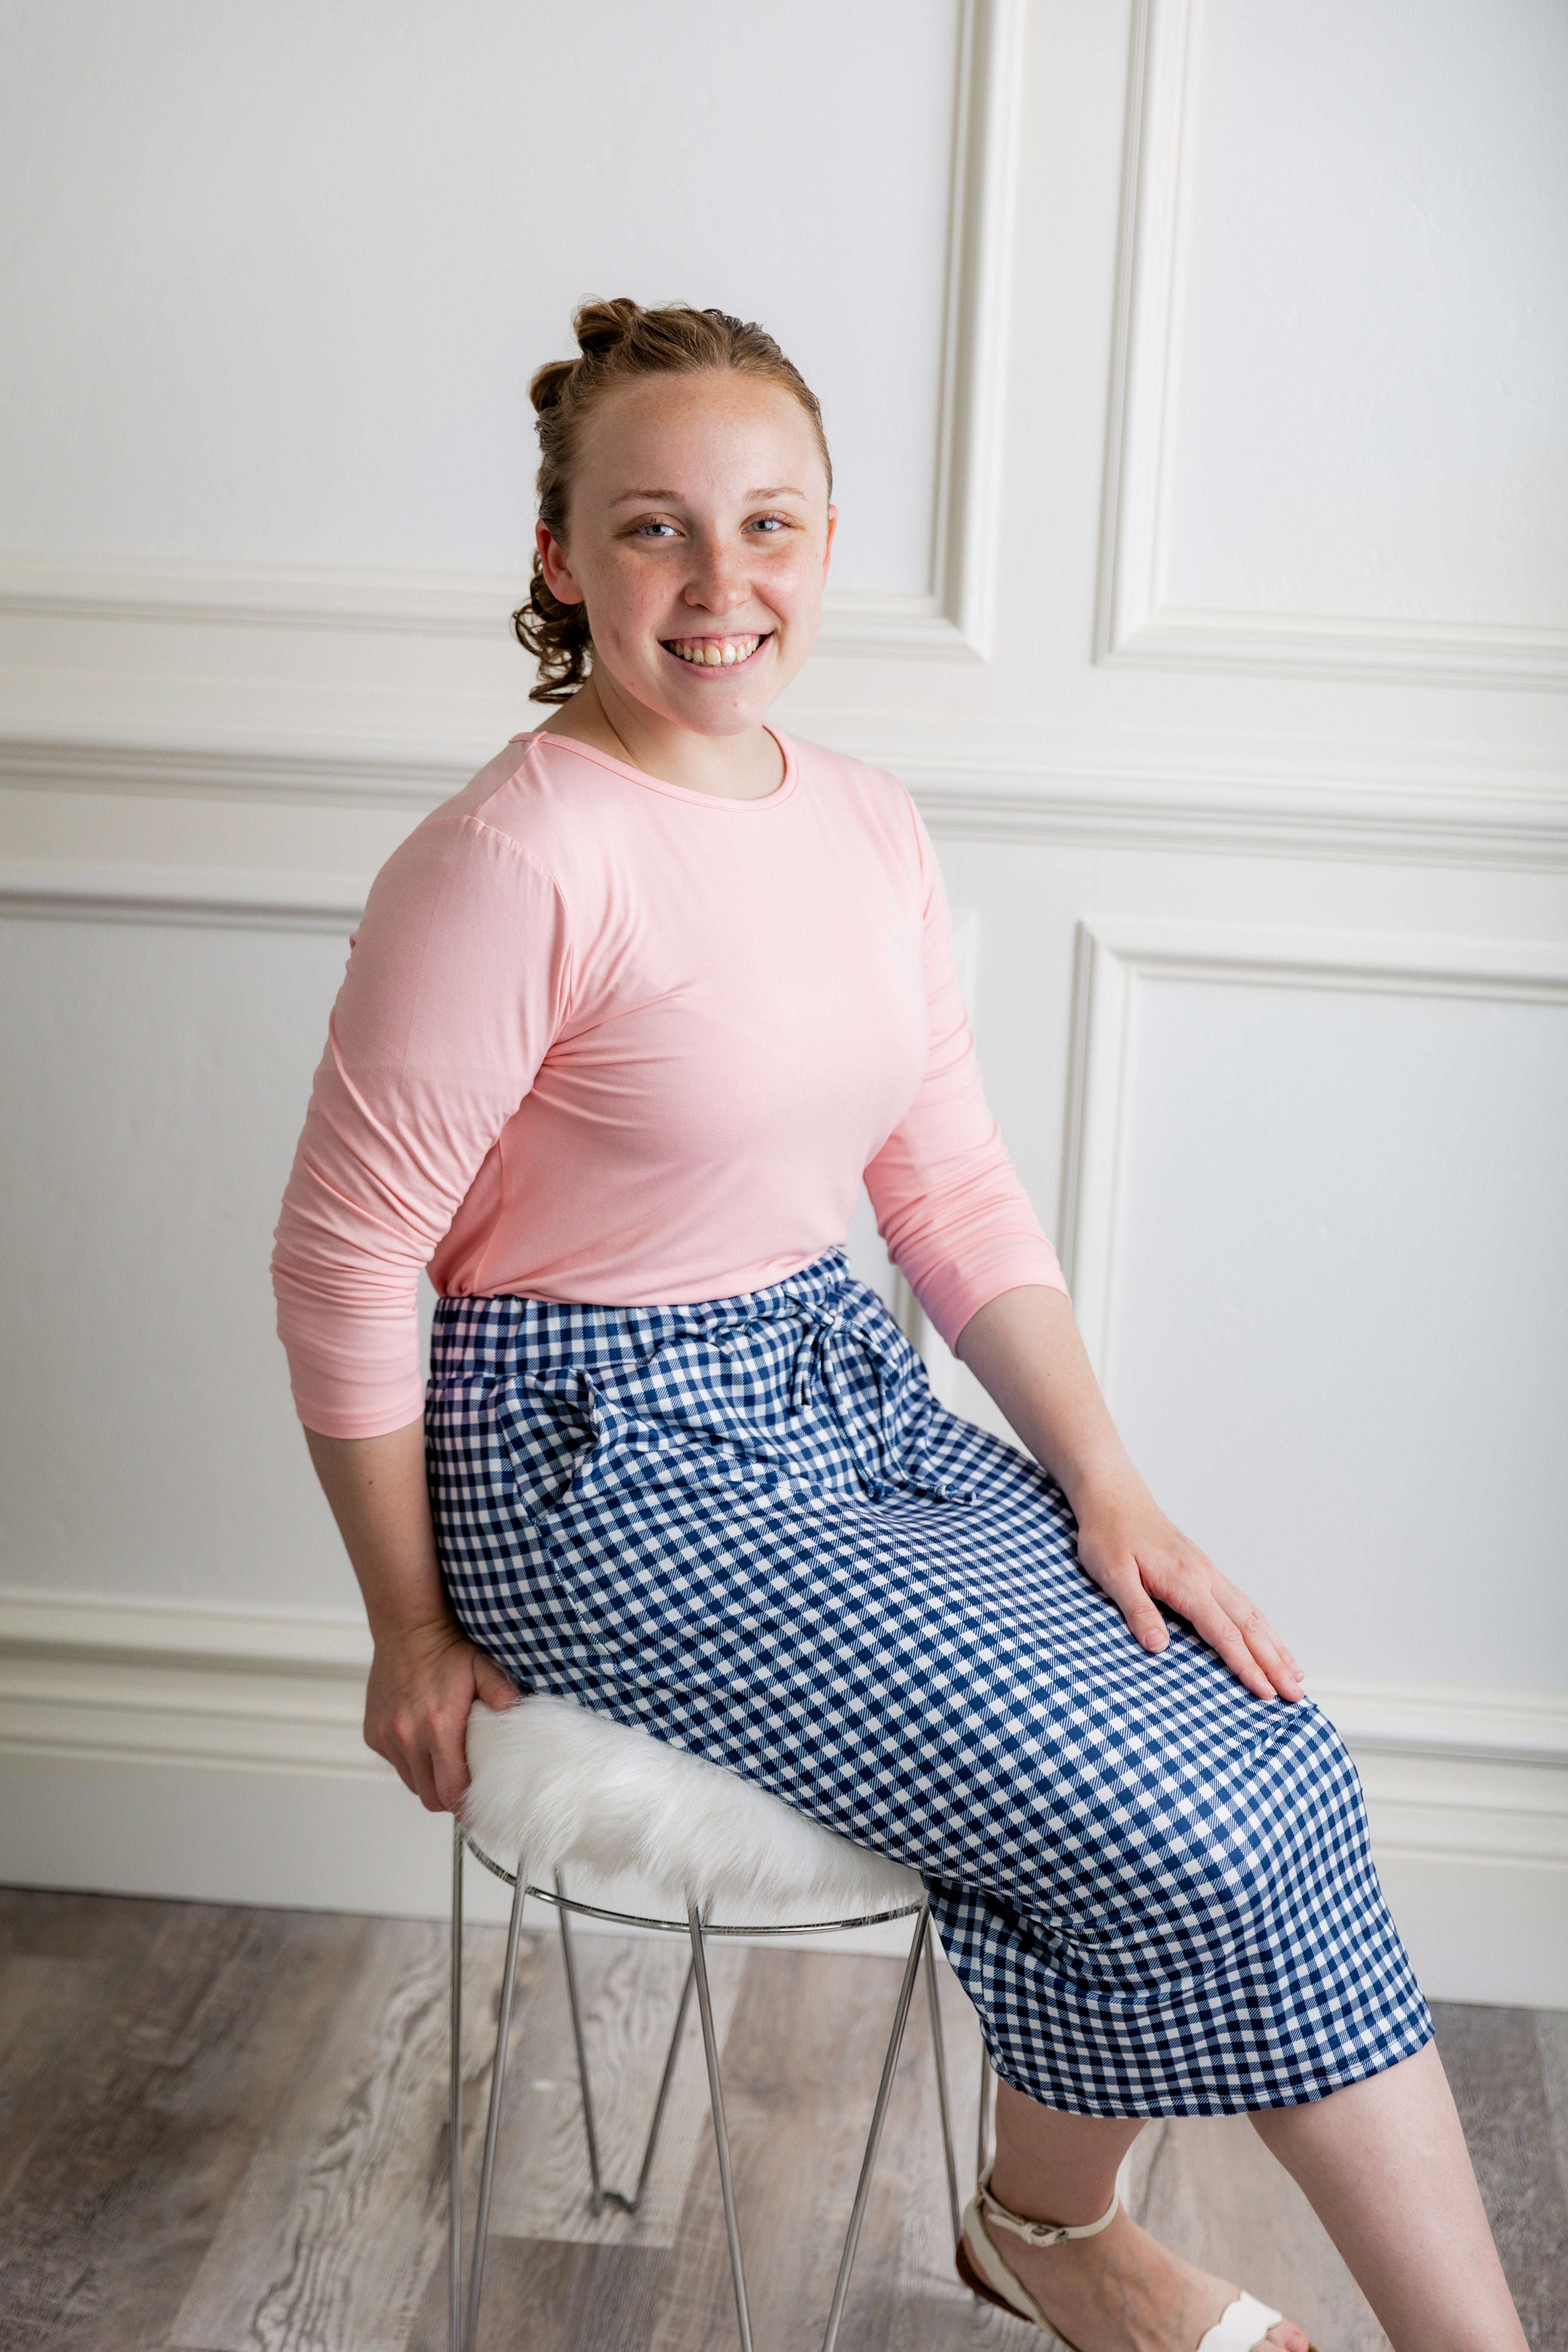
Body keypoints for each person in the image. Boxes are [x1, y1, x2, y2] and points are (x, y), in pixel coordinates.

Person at [272, 299, 1526, 2352]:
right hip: (594, 1465)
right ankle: (1093, 2255)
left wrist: (1108, 1484)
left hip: (829, 1391)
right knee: (1175, 1812)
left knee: (1275, 1748)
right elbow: (338, 1259)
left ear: (829, 542)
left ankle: (1055, 2234)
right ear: (557, 552)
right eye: (655, 528)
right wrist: (405, 1625)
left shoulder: (860, 818)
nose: (718, 582)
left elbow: (942, 1193)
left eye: (767, 525)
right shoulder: (512, 857)